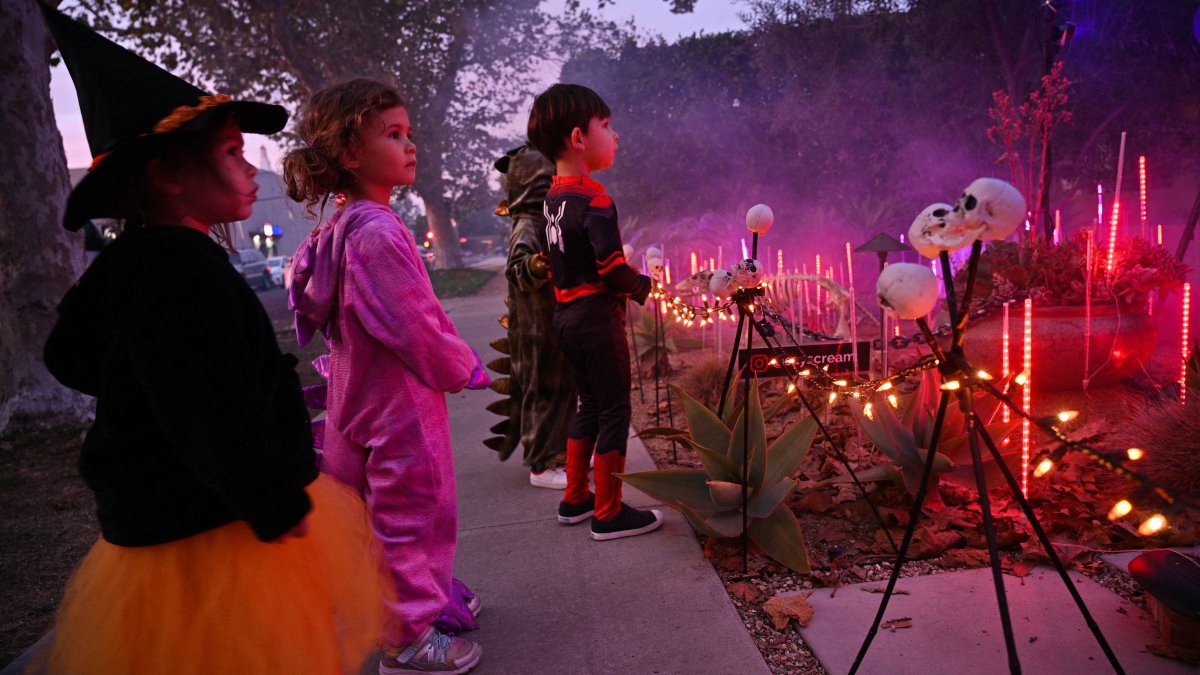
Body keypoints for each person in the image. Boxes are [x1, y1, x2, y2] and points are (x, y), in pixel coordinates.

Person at [36, 6, 388, 674]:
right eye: (230, 153)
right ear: (168, 175)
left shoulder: (136, 262)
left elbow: (72, 354)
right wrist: (273, 499)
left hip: (157, 528)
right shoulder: (181, 271)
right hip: (217, 529)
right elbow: (210, 404)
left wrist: (133, 389)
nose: (252, 168)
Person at [285, 78, 489, 675]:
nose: (410, 145)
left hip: (359, 395)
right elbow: (413, 323)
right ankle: (406, 637)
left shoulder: (343, 226)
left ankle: (421, 599)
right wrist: (460, 366)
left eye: (409, 133)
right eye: (394, 135)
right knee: (415, 512)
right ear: (350, 153)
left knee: (376, 513)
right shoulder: (376, 233)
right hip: (398, 403)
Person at [526, 84, 665, 541]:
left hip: (565, 318)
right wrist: (645, 285)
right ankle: (608, 511)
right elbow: (611, 271)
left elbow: (554, 261)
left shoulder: (552, 199)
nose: (615, 135)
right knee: (614, 410)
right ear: (579, 138)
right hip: (596, 319)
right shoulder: (596, 200)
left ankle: (575, 497)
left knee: (588, 405)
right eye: (606, 126)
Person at [489, 144, 577, 489]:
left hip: (553, 321)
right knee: (544, 391)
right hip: (535, 327)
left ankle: (558, 454)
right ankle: (541, 465)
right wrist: (538, 263)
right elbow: (517, 269)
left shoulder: (546, 218)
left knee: (562, 389)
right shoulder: (527, 224)